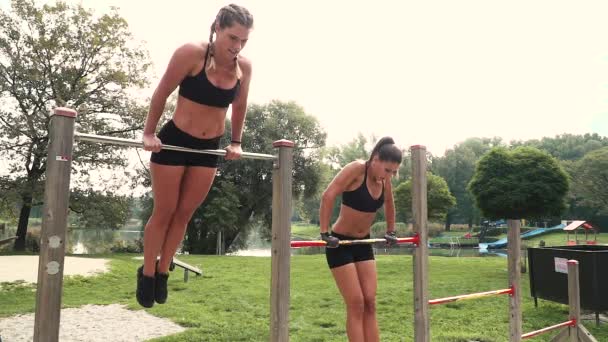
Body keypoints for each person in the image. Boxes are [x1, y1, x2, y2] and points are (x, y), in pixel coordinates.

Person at [136, 4, 254, 308]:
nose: (236, 46)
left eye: (243, 40)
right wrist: (149, 134)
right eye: (232, 38)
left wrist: (237, 141)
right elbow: (162, 92)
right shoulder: (191, 53)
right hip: (175, 142)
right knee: (164, 211)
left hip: (208, 148)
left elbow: (239, 107)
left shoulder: (244, 68)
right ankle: (147, 273)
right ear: (216, 27)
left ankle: (164, 271)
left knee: (185, 213)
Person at [319, 137, 402, 342]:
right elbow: (328, 195)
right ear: (375, 159)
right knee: (356, 303)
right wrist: (324, 233)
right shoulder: (357, 169)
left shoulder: (384, 180)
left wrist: (391, 230)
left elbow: (390, 203)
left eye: (393, 172)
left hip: (363, 243)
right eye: (387, 170)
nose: (389, 175)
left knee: (370, 302)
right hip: (340, 244)